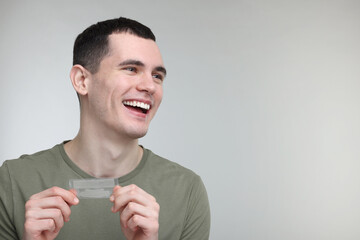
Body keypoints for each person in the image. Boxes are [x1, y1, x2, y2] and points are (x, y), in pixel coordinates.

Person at [0, 17, 210, 240]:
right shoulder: (13, 181)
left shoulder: (187, 191)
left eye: (157, 76)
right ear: (82, 80)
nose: (150, 86)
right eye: (131, 69)